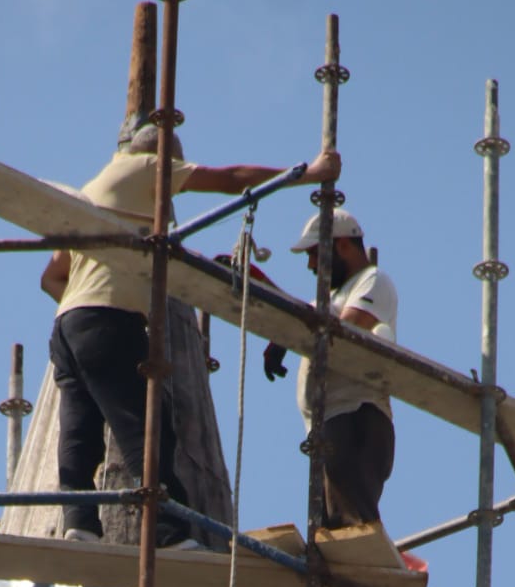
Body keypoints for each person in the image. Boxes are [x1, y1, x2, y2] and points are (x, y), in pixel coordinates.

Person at [42, 129, 340, 546]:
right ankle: (167, 533)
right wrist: (309, 172)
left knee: (80, 433)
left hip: (67, 326)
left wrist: (90, 304)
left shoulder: (91, 192)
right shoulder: (147, 167)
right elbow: (232, 178)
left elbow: (52, 277)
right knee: (146, 426)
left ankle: (80, 525)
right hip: (108, 320)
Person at [263, 209, 398, 529]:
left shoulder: (373, 281)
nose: (311, 266)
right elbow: (316, 318)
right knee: (331, 531)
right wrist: (284, 334)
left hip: (356, 418)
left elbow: (343, 331)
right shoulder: (336, 296)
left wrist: (292, 328)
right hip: (335, 422)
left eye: (314, 255)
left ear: (342, 247)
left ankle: (369, 572)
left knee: (350, 527)